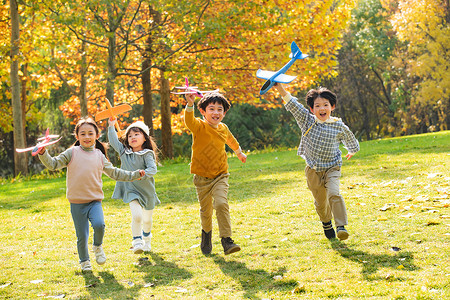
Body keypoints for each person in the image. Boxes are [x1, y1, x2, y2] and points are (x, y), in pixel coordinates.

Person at [38, 117, 145, 271]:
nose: (87, 137)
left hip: (94, 201)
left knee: (99, 225)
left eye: (90, 133)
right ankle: (84, 262)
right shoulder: (72, 153)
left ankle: (97, 246)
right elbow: (53, 164)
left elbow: (115, 173)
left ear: (97, 135)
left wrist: (135, 174)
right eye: (83, 134)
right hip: (77, 203)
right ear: (77, 137)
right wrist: (43, 153)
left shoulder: (99, 156)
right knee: (82, 236)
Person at [273, 83, 359, 240]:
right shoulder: (306, 120)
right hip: (313, 169)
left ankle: (341, 226)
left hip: (332, 167)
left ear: (331, 107)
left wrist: (352, 151)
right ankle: (326, 222)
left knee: (334, 193)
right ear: (312, 109)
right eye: (317, 106)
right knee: (320, 202)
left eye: (325, 105)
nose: (322, 108)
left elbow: (351, 140)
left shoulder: (338, 125)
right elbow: (292, 104)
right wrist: (279, 87)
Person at [184, 91, 247, 255]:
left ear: (224, 113)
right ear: (203, 112)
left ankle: (227, 241)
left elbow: (231, 140)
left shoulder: (223, 128)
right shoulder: (199, 126)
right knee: (206, 212)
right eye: (211, 109)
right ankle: (206, 236)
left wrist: (239, 153)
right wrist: (190, 104)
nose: (216, 113)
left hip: (220, 175)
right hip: (201, 178)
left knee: (221, 204)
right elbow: (188, 121)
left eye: (220, 109)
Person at [107, 118, 160, 254]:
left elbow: (152, 169)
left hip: (147, 191)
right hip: (130, 189)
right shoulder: (125, 152)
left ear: (144, 138)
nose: (132, 137)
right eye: (129, 136)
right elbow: (113, 142)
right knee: (137, 216)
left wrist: (142, 174)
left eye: (136, 134)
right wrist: (111, 126)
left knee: (147, 220)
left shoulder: (147, 153)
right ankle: (137, 241)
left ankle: (147, 240)